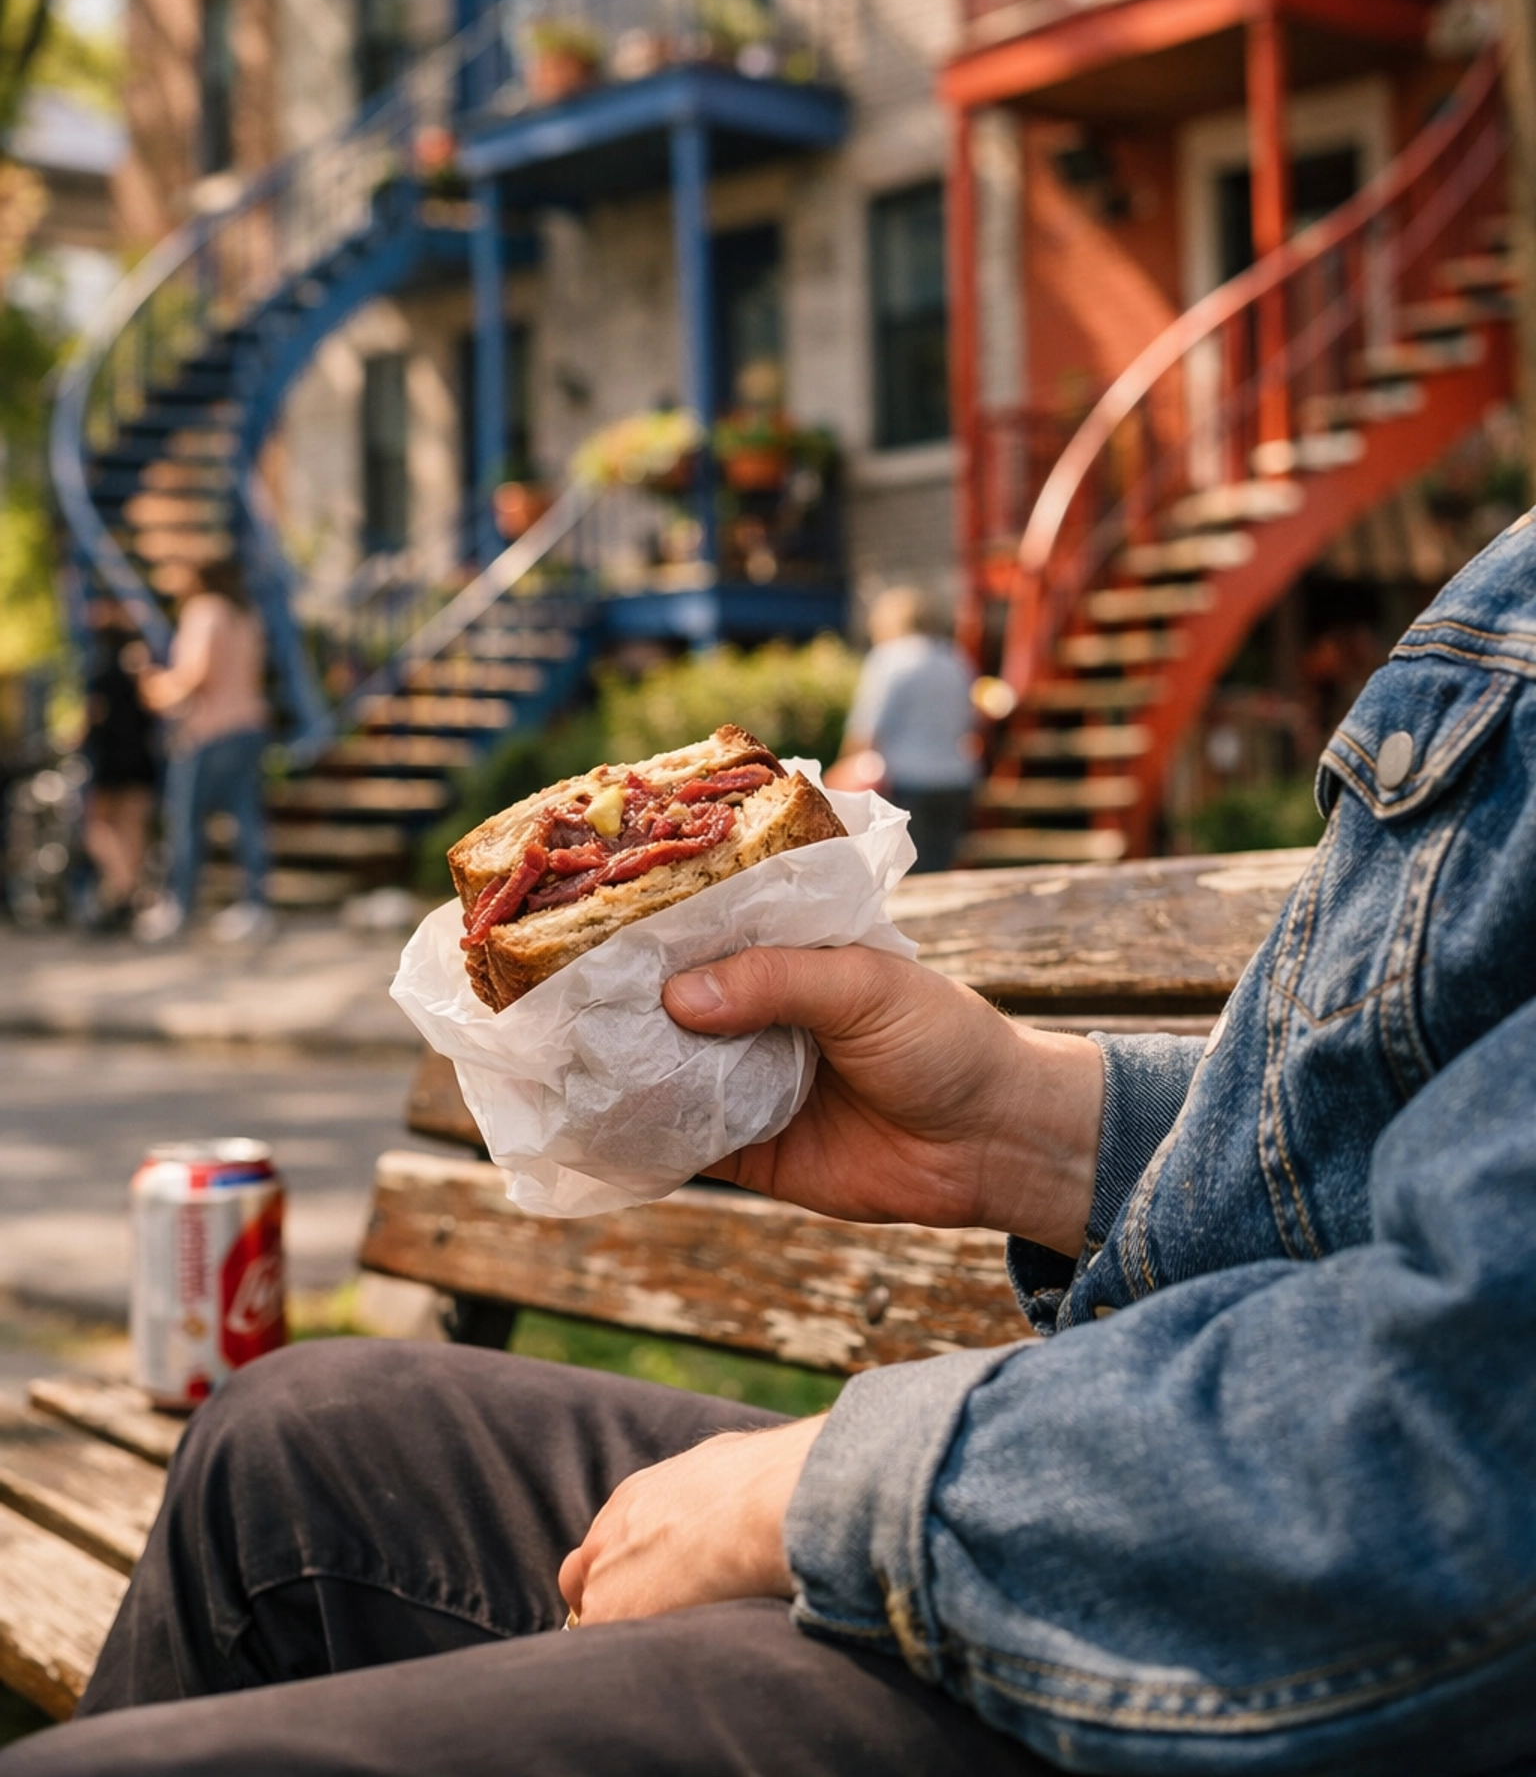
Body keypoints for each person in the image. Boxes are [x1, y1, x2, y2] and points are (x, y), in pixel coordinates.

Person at [9, 514, 1536, 1776]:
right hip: (1155, 1485)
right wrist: (1028, 1132)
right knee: (289, 1439)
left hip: (1287, 1676)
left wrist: (807, 1492)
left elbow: (1470, 1452)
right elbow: (1400, 1187)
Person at [133, 557, 273, 946]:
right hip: (248, 726)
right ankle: (255, 905)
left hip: (208, 732)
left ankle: (180, 906)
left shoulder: (204, 611)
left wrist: (155, 686)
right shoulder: (246, 614)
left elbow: (195, 675)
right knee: (246, 819)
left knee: (185, 822)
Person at [838, 583, 979, 870]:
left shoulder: (890, 658)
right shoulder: (956, 659)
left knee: (904, 868)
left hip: (907, 780)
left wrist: (844, 767)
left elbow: (865, 730)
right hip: (956, 777)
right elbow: (970, 722)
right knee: (941, 864)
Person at [77, 600, 160, 932]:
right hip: (140, 755)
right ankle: (125, 892)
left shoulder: (101, 667)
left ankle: (123, 888)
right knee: (132, 829)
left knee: (96, 826)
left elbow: (93, 716)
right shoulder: (141, 663)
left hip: (113, 757)